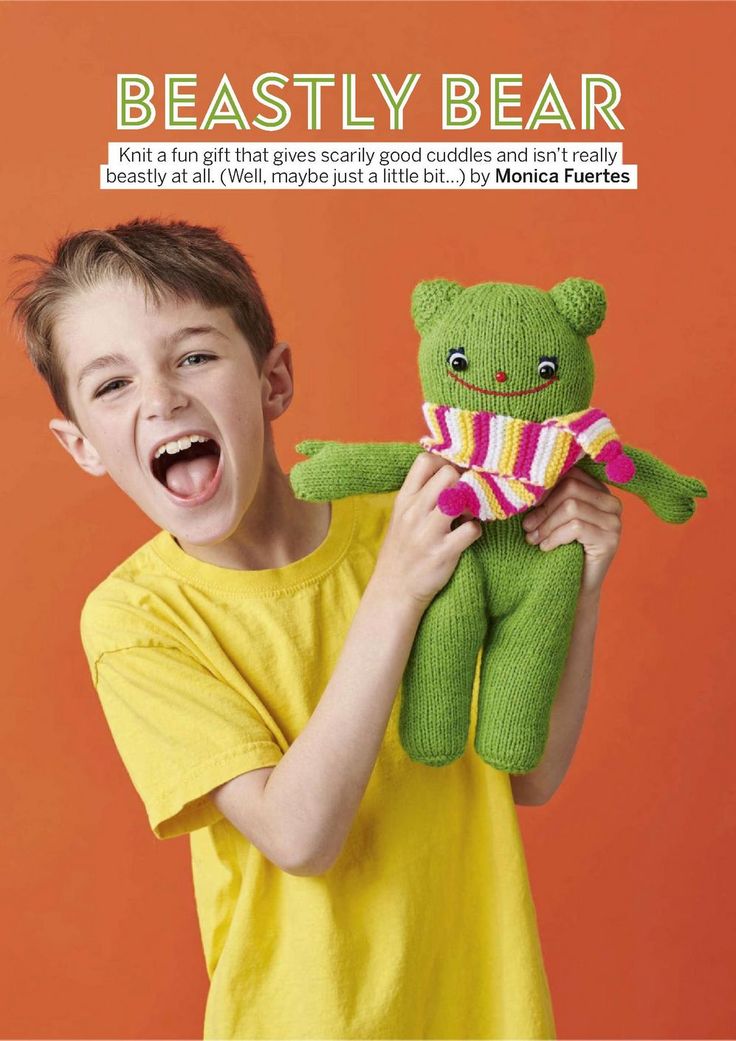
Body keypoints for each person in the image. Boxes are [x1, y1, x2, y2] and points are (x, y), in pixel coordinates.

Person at [9, 217, 622, 1040]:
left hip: (485, 1009)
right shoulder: (138, 618)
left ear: (274, 382)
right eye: (111, 384)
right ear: (82, 444)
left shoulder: (416, 521)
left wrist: (575, 587)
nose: (162, 398)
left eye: (194, 355)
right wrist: (397, 592)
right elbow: (298, 834)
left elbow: (527, 773)